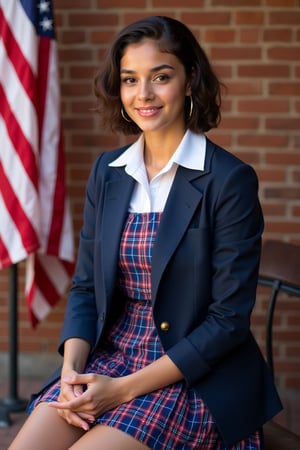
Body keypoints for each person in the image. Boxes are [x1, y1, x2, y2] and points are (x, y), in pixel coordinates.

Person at [9, 15, 282, 450]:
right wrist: (71, 374)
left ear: (190, 79)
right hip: (112, 356)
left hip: (191, 373)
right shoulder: (109, 172)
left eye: (161, 77)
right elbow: (85, 288)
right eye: (130, 80)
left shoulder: (228, 180)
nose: (144, 95)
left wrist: (123, 390)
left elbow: (227, 321)